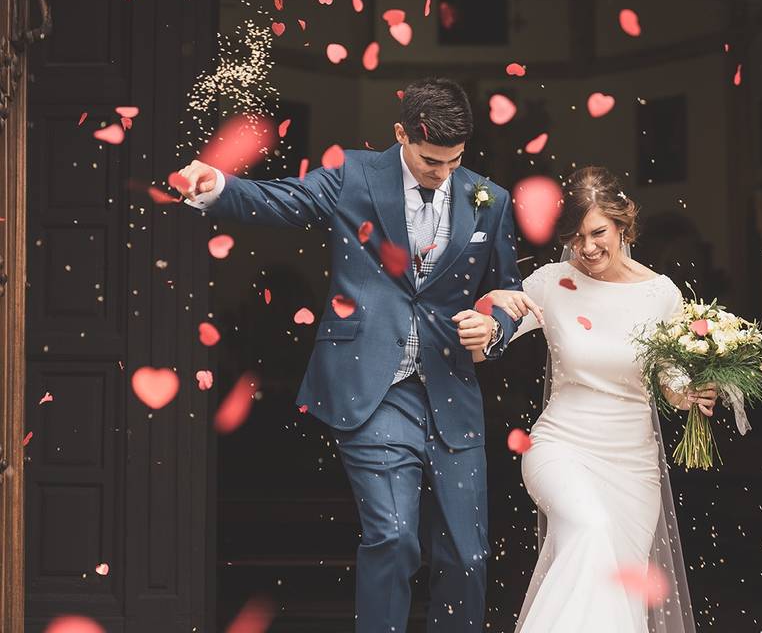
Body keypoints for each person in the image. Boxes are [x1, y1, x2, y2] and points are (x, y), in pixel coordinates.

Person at [172, 78, 532, 633]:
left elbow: (511, 294)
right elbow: (285, 201)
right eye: (432, 161)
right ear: (401, 135)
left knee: (468, 557)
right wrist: (220, 184)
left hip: (451, 394)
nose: (444, 173)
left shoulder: (490, 199)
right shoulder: (356, 177)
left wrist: (496, 328)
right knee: (393, 536)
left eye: (454, 162)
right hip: (375, 389)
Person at [476, 166, 714, 632]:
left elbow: (670, 380)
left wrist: (691, 395)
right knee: (589, 531)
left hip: (633, 467)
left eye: (598, 232)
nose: (587, 248)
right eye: (576, 236)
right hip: (561, 447)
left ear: (623, 224)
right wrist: (483, 324)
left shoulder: (661, 294)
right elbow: (499, 331)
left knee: (618, 591)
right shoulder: (550, 282)